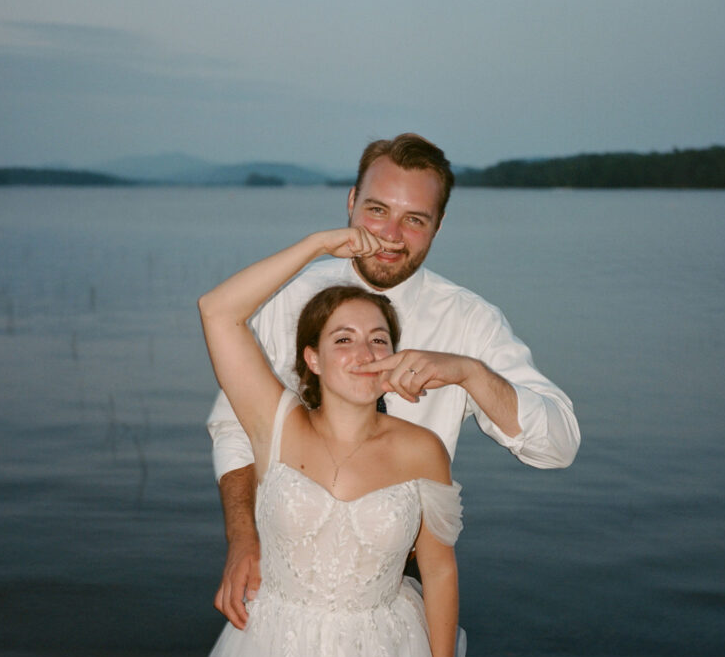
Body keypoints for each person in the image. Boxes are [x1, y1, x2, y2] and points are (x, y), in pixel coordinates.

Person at [207, 133, 580, 631]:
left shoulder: (470, 322)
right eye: (377, 210)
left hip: (398, 582)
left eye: (415, 220)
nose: (390, 235)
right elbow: (235, 428)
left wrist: (470, 373)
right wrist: (242, 539)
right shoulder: (289, 297)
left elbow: (558, 445)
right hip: (284, 573)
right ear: (350, 202)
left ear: (438, 226)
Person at [195, 228, 473, 657]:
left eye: (378, 339)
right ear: (313, 360)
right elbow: (217, 310)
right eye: (342, 338)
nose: (363, 351)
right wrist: (320, 245)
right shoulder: (275, 424)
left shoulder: (423, 450)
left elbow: (439, 571)